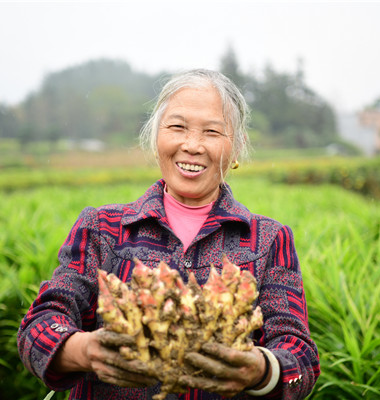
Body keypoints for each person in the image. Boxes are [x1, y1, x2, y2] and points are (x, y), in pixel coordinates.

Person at [18, 69, 320, 399]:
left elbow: (300, 357)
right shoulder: (101, 228)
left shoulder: (268, 240)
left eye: (212, 132)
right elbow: (39, 327)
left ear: (237, 147)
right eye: (177, 127)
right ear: (155, 136)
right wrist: (85, 349)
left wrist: (262, 369)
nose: (192, 146)